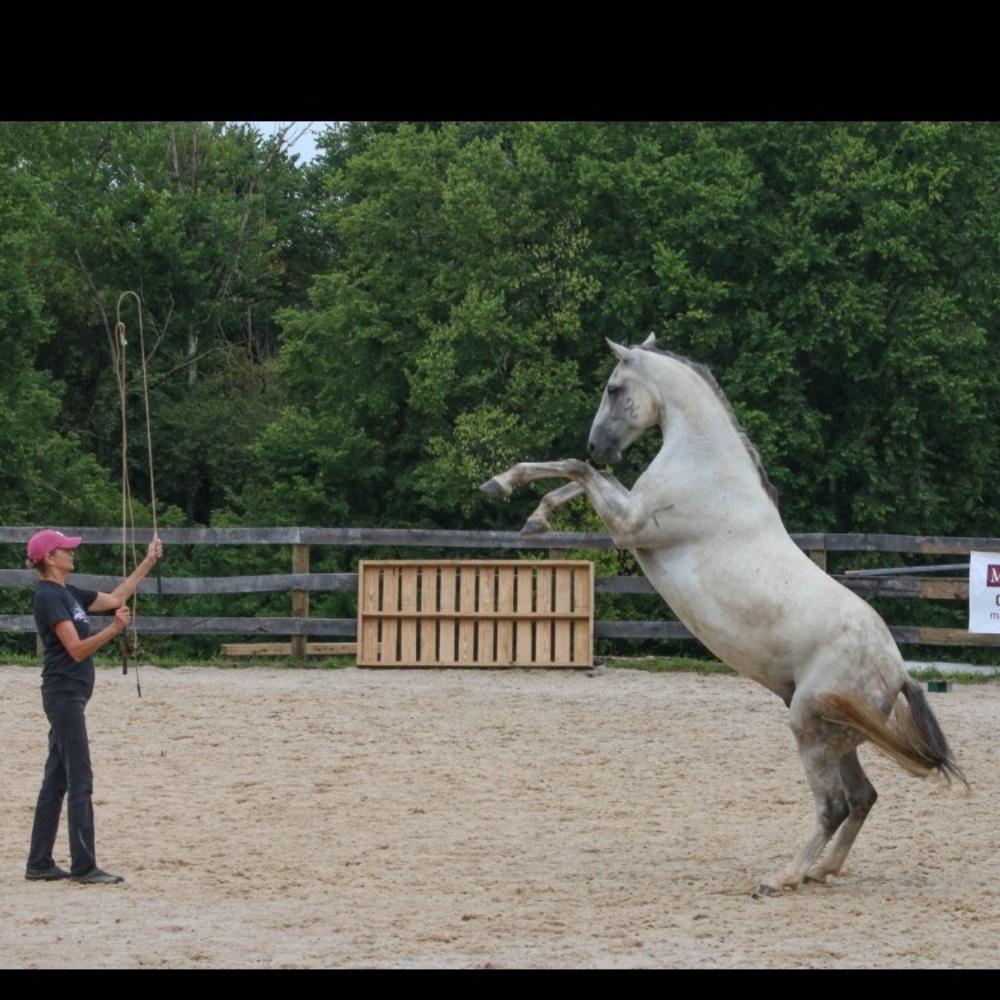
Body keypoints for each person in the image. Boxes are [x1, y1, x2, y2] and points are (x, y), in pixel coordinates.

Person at [24, 529, 163, 885]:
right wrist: (114, 631)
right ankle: (83, 866)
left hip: (72, 695)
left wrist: (147, 561)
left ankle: (39, 862)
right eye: (65, 550)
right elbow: (76, 649)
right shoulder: (49, 597)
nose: (72, 553)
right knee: (80, 779)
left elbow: (117, 597)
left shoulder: (68, 593)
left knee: (56, 779)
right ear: (49, 559)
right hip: (63, 695)